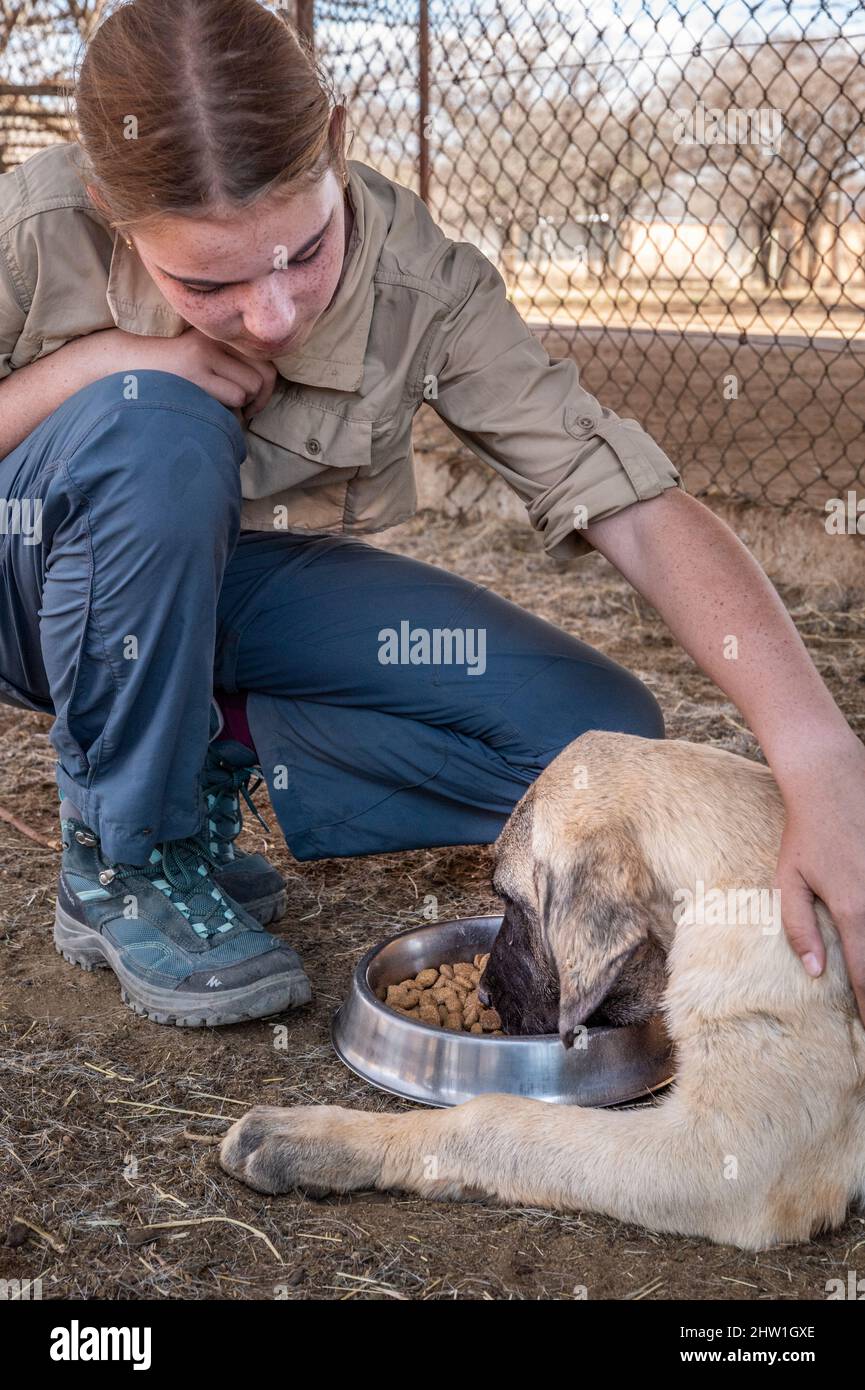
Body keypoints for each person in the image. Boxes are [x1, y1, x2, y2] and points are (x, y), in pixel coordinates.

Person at [1, 0, 863, 1028]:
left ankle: (203, 747)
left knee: (594, 741)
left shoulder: (425, 279)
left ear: (335, 140)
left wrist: (818, 754)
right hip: (37, 590)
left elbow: (626, 501)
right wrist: (110, 363)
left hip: (230, 581)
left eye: (302, 252)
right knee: (158, 423)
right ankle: (122, 854)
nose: (274, 318)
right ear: (110, 206)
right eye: (207, 281)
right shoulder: (36, 225)